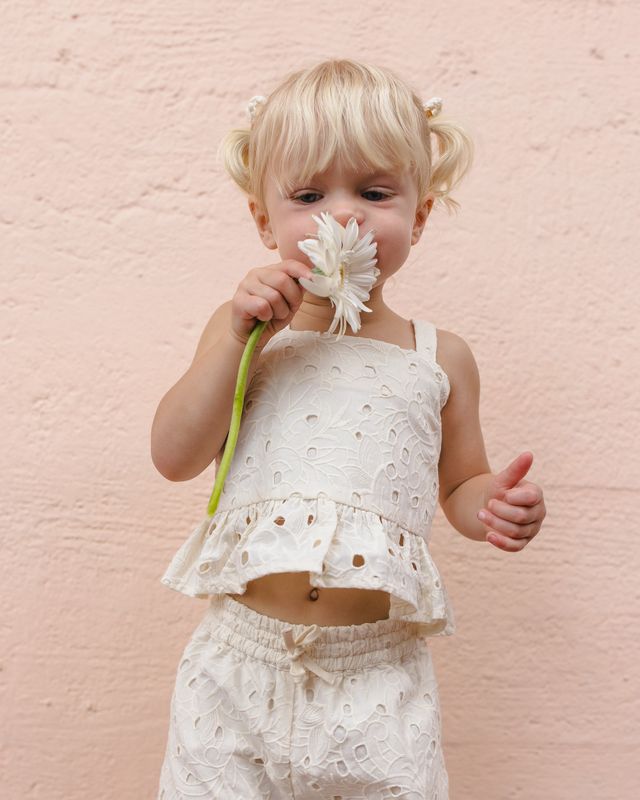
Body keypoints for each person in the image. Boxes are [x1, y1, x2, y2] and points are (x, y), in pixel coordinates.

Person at [152, 58, 547, 800]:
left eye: (374, 193)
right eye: (308, 195)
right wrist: (239, 338)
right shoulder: (246, 336)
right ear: (263, 219)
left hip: (377, 679)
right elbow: (174, 456)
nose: (343, 216)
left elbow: (460, 482)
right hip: (238, 668)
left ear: (420, 214)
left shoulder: (440, 358)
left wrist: (492, 500)